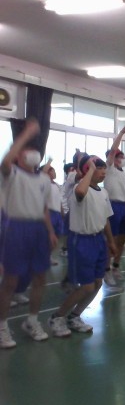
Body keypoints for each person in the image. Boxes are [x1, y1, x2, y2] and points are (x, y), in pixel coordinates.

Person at [0, 119, 56, 348]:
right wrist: (26, 134)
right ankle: (2, 326)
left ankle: (32, 321)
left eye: (35, 150)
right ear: (19, 155)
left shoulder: (44, 179)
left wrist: (50, 232)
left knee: (40, 278)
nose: (33, 153)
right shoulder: (11, 173)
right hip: (16, 228)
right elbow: (5, 162)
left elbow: (44, 208)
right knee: (11, 280)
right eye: (27, 150)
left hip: (38, 230)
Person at [48, 154, 117, 338]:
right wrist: (89, 170)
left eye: (103, 168)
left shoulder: (103, 193)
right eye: (98, 168)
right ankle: (57, 317)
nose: (103, 171)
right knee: (87, 286)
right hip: (81, 241)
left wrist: (110, 241)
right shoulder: (78, 189)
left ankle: (75, 316)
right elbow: (80, 193)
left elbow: (106, 219)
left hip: (98, 240)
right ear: (88, 170)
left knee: (97, 283)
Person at [103, 125, 125, 286]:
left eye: (122, 156)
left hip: (123, 207)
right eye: (118, 156)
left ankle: (115, 266)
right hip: (112, 206)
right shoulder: (109, 168)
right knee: (112, 239)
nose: (121, 158)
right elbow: (114, 149)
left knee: (122, 240)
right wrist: (121, 133)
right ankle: (106, 269)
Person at [43, 159, 64, 265]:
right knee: (47, 237)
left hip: (58, 214)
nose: (55, 172)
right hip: (49, 213)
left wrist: (62, 212)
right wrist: (49, 162)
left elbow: (59, 200)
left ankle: (48, 256)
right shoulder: (45, 184)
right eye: (52, 170)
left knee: (57, 237)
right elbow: (42, 174)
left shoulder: (57, 185)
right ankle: (43, 257)